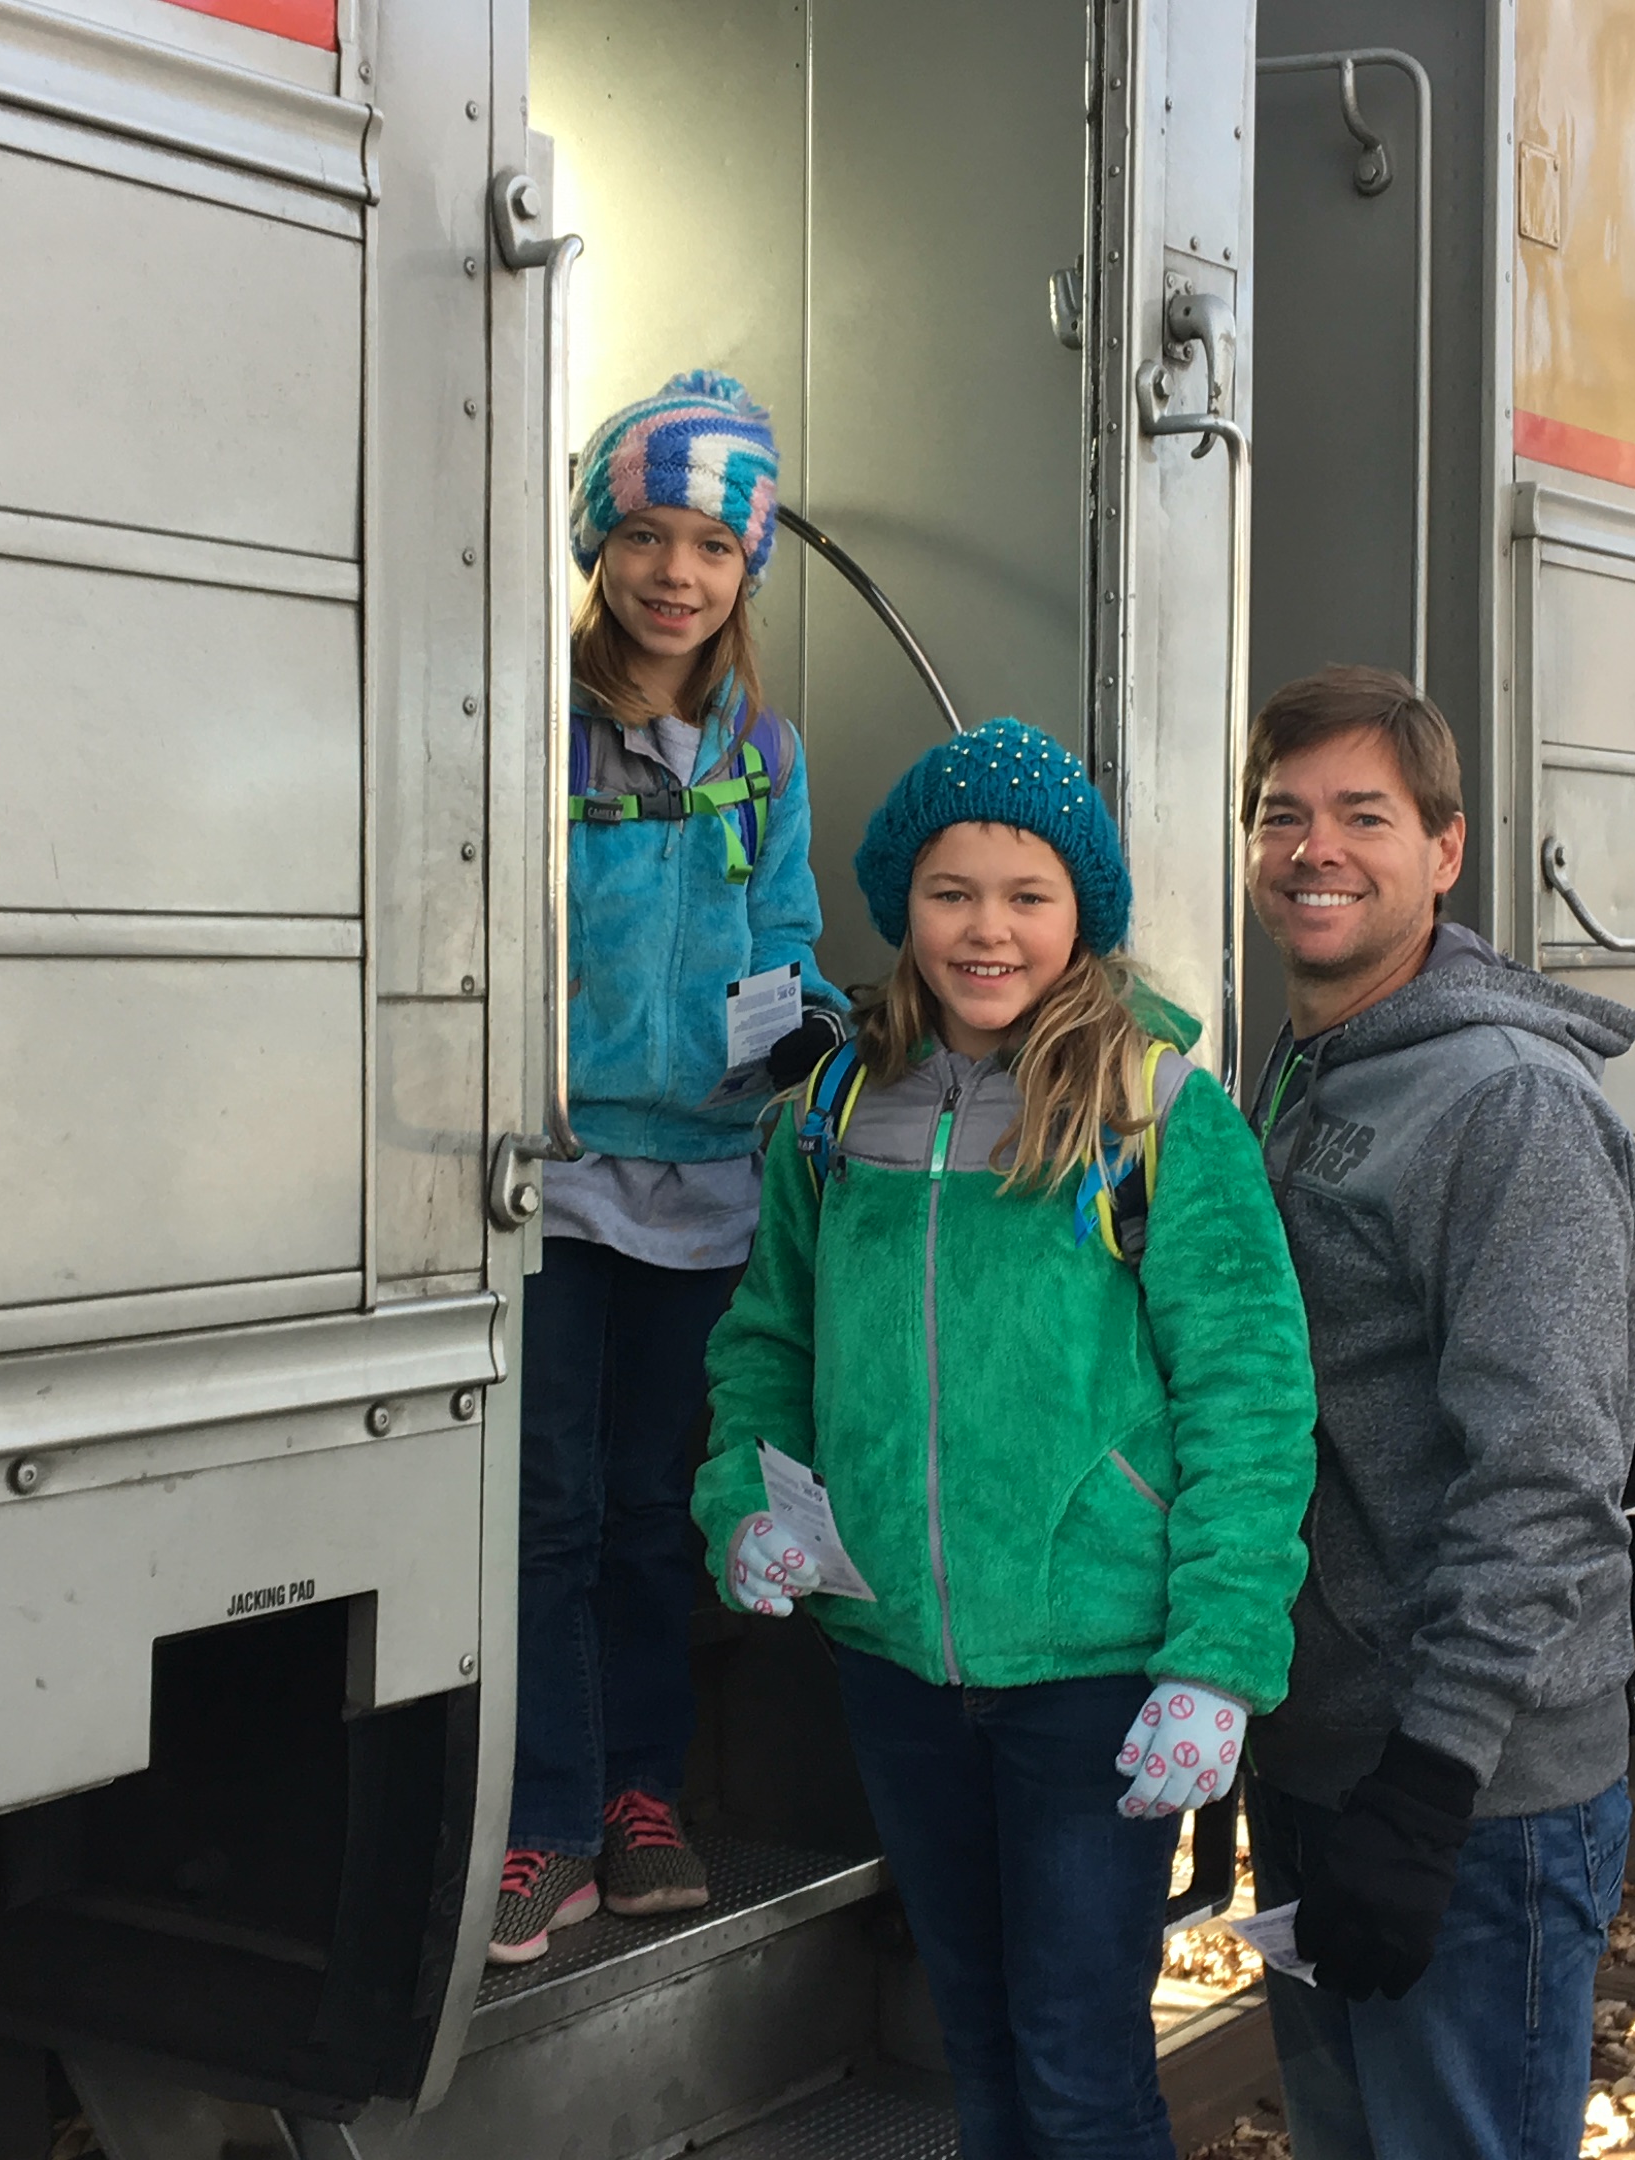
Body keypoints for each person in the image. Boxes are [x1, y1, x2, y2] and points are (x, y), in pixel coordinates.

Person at [694, 718, 1317, 2160]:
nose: (988, 931)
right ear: (901, 906)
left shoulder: (1159, 1113)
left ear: (1080, 915)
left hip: (1093, 1677)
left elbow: (1250, 1397)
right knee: (973, 2044)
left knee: (1080, 2070)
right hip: (895, 1665)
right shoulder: (831, 1113)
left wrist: (1218, 1661)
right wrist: (743, 1501)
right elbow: (767, 1344)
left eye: (1028, 896)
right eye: (951, 893)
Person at [1232, 667, 1635, 2160]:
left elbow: (1546, 1476)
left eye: (1365, 815)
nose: (1315, 850)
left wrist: (1428, 1784)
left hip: (1469, 1798)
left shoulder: (1507, 1105)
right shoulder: (1312, 1069)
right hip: (1329, 1756)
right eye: (1282, 814)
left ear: (1447, 849)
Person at [495, 370, 845, 1965]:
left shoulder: (765, 752)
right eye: (644, 533)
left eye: (711, 543)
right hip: (559, 1183)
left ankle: (641, 1795)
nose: (675, 572)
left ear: (744, 567)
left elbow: (788, 930)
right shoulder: (532, 723)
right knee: (548, 1509)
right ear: (597, 543)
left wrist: (805, 1017)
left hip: (702, 1198)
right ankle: (546, 1819)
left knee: (650, 1511)